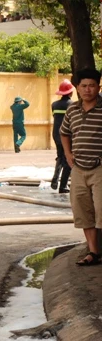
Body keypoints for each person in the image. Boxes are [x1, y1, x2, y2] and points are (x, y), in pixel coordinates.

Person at [60, 69, 102, 266]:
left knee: (101, 210)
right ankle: (93, 253)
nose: (87, 89)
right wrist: (68, 154)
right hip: (78, 169)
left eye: (92, 85)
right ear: (77, 88)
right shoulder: (72, 110)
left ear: (98, 88)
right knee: (83, 211)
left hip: (100, 168)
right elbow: (64, 133)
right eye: (84, 86)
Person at [51, 80, 74, 193]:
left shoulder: (54, 104)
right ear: (70, 93)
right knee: (68, 160)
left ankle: (55, 180)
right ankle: (63, 186)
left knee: (60, 156)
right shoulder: (72, 105)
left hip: (56, 134)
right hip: (67, 135)